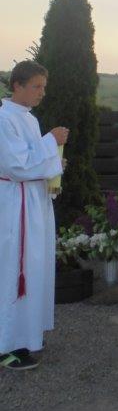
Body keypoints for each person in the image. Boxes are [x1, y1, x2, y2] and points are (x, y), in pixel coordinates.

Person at [0, 61, 69, 370]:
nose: (42, 92)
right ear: (17, 85)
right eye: (36, 86)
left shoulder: (28, 118)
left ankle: (24, 336)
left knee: (31, 267)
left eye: (43, 87)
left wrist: (54, 166)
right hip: (14, 206)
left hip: (32, 203)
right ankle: (5, 344)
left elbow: (33, 161)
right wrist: (50, 142)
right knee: (13, 271)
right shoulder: (4, 119)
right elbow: (16, 165)